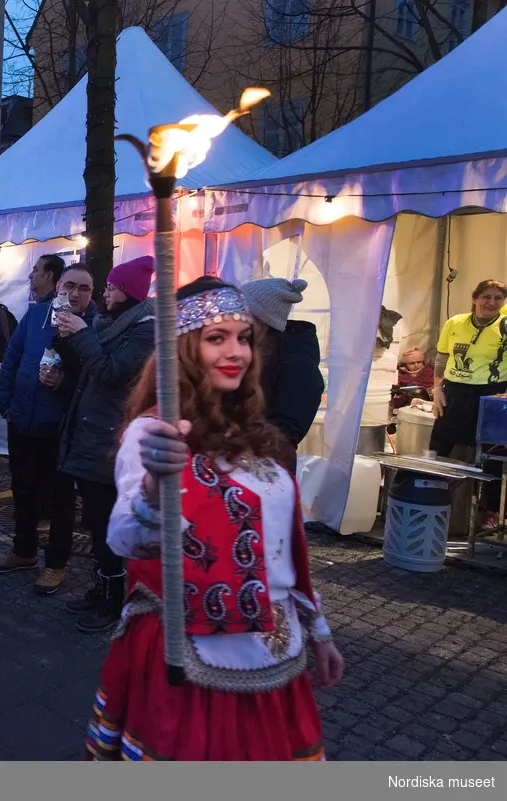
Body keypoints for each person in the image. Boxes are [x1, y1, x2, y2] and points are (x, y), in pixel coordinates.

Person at [82, 276, 344, 761]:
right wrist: (154, 485)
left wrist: (319, 630)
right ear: (184, 348)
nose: (236, 352)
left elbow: (282, 549)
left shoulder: (254, 433)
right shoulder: (154, 433)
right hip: (190, 661)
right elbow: (125, 538)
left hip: (276, 660)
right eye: (216, 338)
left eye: (243, 338)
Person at [52, 256, 156, 631]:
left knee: (108, 523)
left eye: (111, 288)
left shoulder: (145, 331)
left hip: (110, 439)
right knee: (97, 522)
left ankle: (112, 600)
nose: (105, 294)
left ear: (126, 293)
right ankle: (100, 591)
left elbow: (111, 373)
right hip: (91, 432)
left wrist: (81, 334)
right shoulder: (111, 323)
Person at [0, 263, 97, 590]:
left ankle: (56, 563)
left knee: (59, 499)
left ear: (92, 293)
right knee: (23, 490)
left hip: (60, 426)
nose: (75, 293)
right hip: (23, 418)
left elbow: (95, 380)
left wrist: (64, 383)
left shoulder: (93, 326)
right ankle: (23, 551)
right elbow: (13, 357)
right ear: (59, 285)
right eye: (70, 286)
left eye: (84, 288)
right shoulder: (36, 315)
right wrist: (6, 403)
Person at [430, 279, 507, 525]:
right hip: (454, 392)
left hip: (492, 394)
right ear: (474, 298)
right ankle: (428, 495)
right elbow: (442, 356)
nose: (491, 302)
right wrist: (437, 389)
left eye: (498, 298)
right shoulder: (455, 323)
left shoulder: (505, 325)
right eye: (486, 296)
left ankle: (490, 510)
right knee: (439, 445)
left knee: (493, 454)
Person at [240, 277, 324, 456]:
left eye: (242, 315)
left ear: (262, 321)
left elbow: (286, 433)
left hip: (269, 470)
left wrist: (232, 442)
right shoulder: (251, 352)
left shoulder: (300, 367)